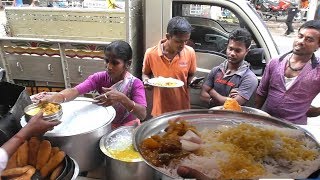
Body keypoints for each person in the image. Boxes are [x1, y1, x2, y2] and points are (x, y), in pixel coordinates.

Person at [37, 40, 147, 128]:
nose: (109, 66)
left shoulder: (135, 84)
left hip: (129, 128)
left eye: (115, 63)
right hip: (106, 125)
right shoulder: (99, 78)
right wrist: (57, 97)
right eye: (107, 61)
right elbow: (75, 91)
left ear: (127, 64)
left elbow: (142, 114)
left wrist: (122, 98)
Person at [256, 20, 320, 125]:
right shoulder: (275, 62)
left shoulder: (318, 70)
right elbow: (261, 92)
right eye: (300, 36)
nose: (301, 41)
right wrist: (256, 116)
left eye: (309, 40)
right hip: (267, 123)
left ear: (318, 46)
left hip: (295, 129)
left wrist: (315, 111)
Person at [142, 16, 197, 117]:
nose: (182, 45)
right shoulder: (151, 53)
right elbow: (145, 73)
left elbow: (191, 75)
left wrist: (192, 82)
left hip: (182, 109)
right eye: (178, 41)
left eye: (186, 41)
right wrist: (146, 81)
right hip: (160, 110)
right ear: (168, 37)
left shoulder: (190, 52)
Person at [200, 28, 258, 107]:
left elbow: (232, 105)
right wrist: (226, 99)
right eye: (230, 49)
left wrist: (212, 92)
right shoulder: (216, 70)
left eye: (238, 51)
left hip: (233, 118)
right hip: (212, 116)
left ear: (246, 51)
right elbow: (203, 96)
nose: (232, 53)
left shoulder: (249, 78)